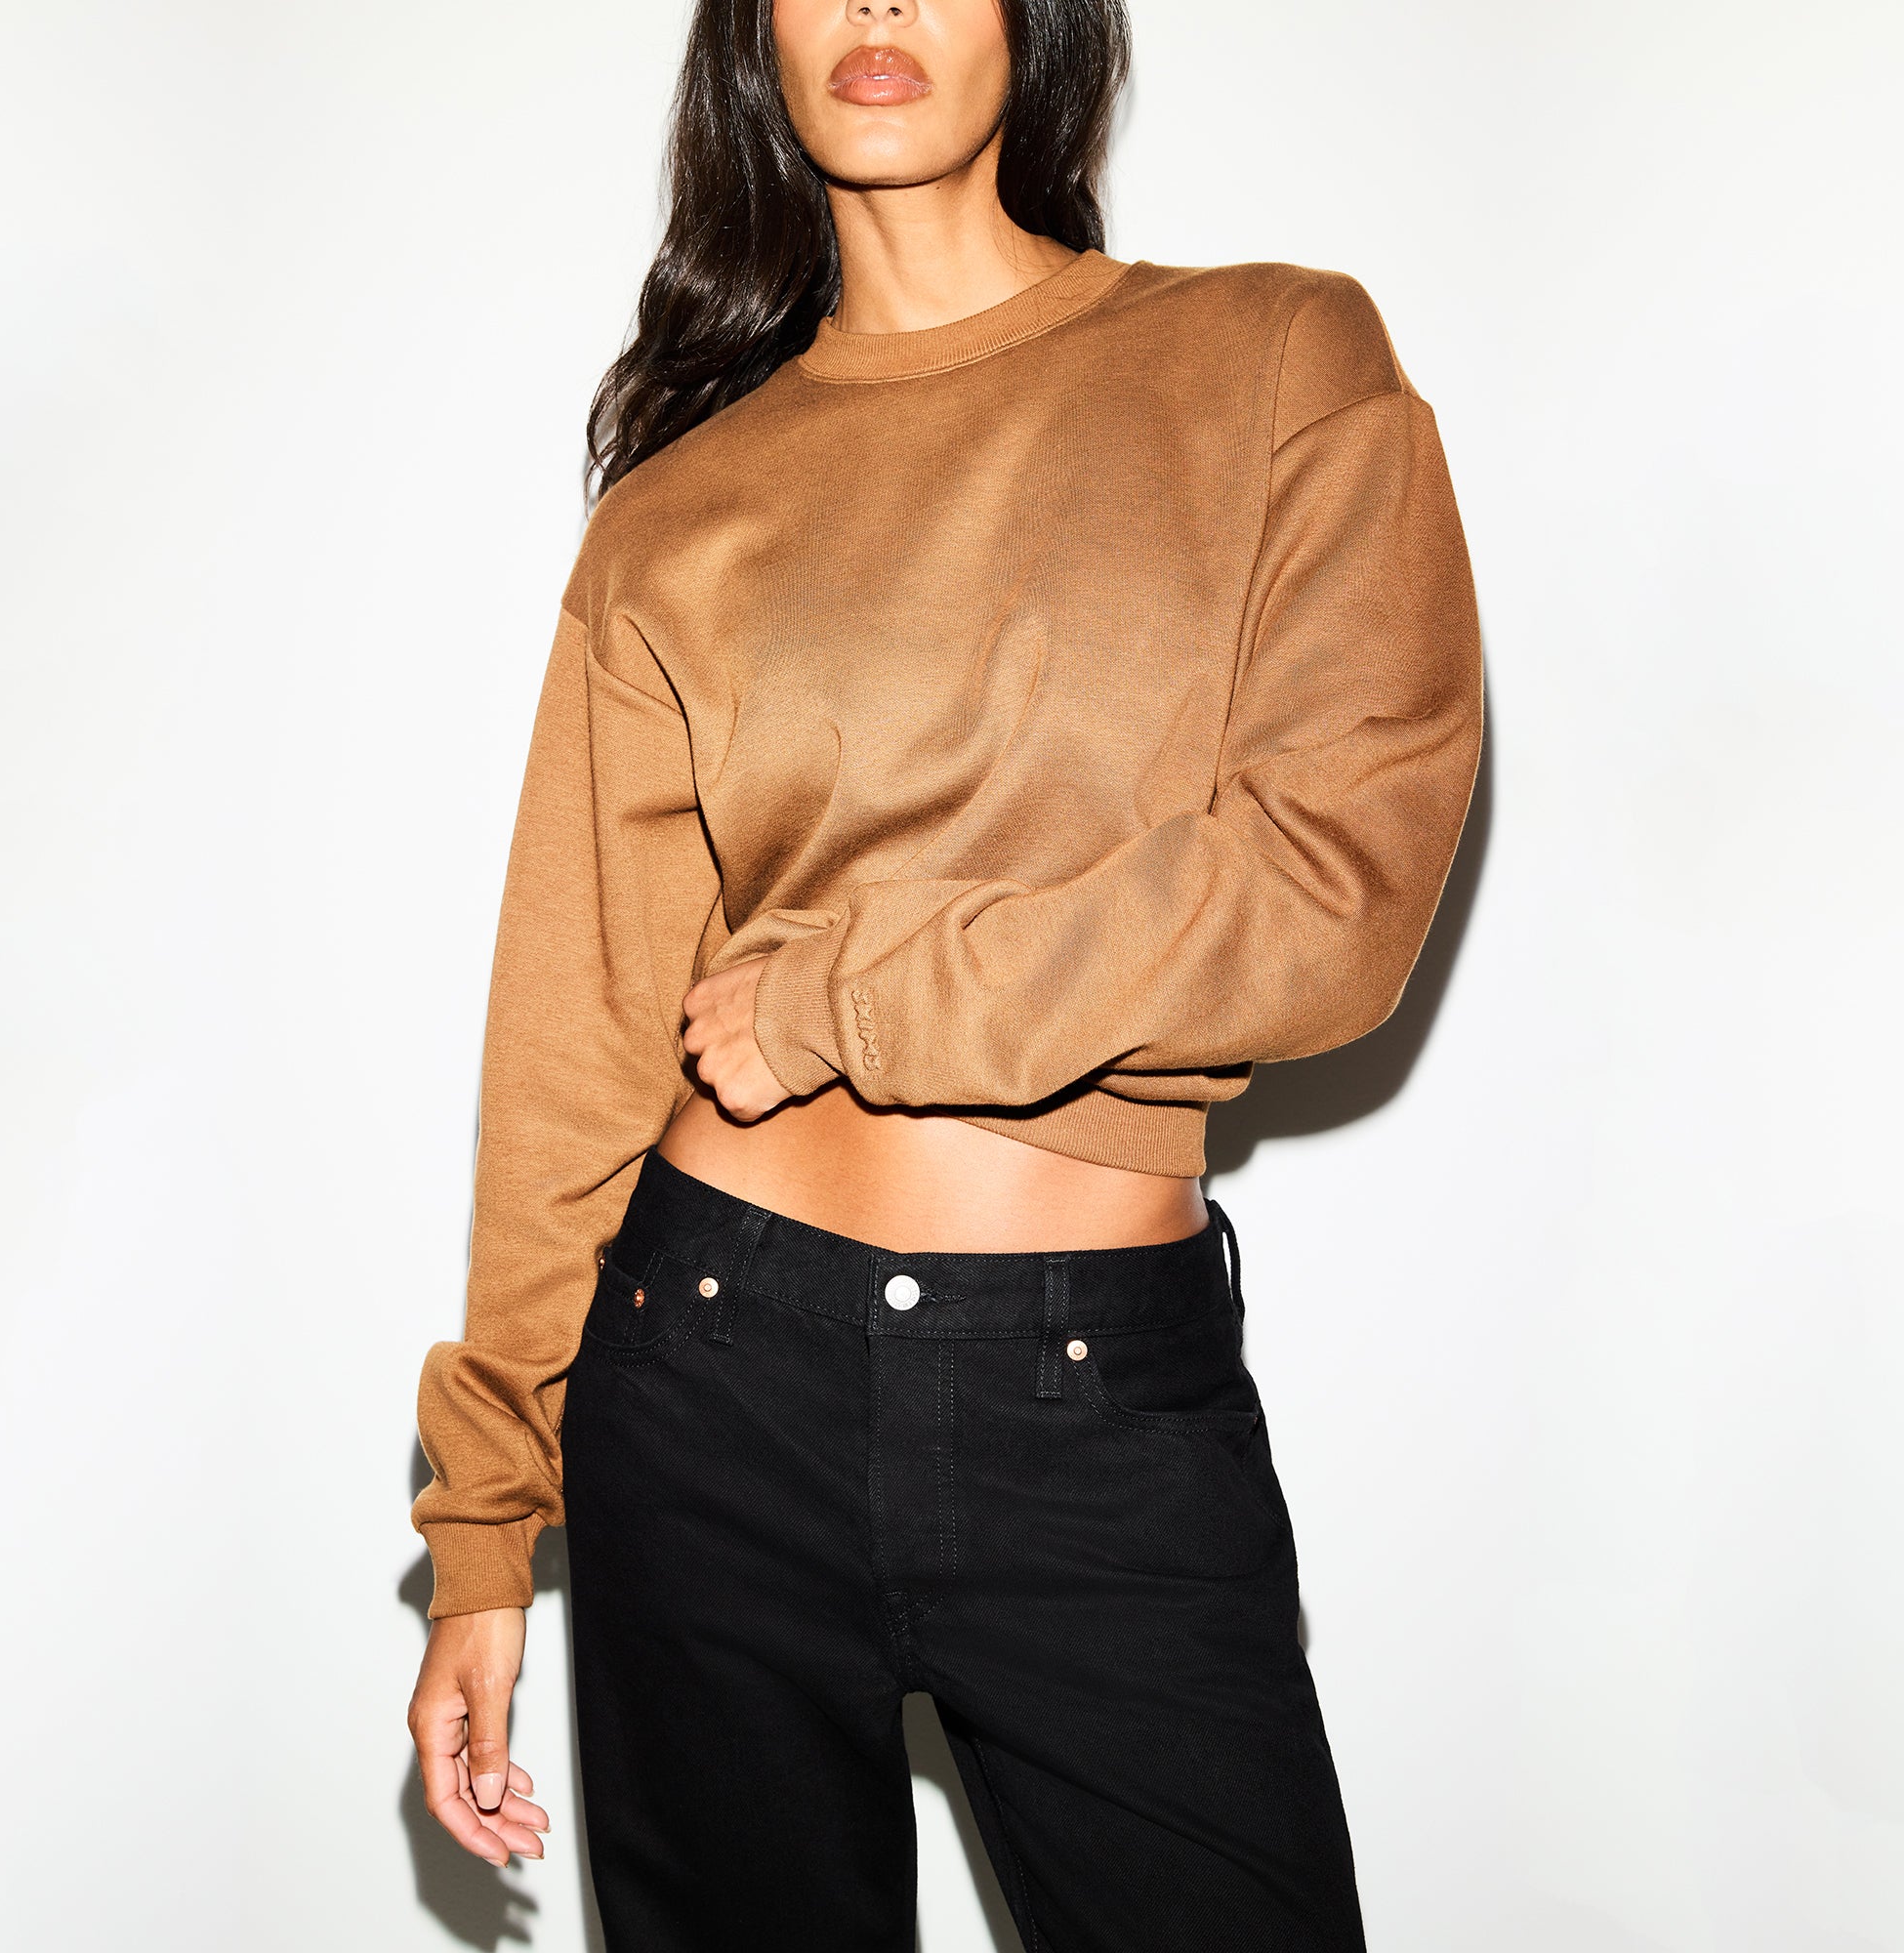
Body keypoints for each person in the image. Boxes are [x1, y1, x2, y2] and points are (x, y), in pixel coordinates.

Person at [406, 0, 1481, 1945]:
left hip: (1095, 1394)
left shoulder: (1273, 361)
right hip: (705, 1381)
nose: (880, 6)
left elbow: (1335, 883)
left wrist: (850, 1000)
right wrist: (485, 1526)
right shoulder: (679, 511)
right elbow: (577, 1033)